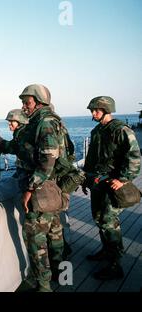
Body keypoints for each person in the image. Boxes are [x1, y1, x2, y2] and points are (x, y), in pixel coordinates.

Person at [16, 84, 68, 292]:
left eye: (27, 102)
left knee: (37, 242)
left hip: (41, 192)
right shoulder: (55, 122)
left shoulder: (44, 122)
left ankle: (44, 287)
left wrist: (29, 189)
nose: (24, 106)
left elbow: (48, 159)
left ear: (39, 102)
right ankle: (65, 277)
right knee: (56, 235)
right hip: (54, 188)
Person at [82, 96, 141, 280]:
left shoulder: (121, 130)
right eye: (92, 110)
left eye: (96, 110)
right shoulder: (96, 131)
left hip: (112, 184)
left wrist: (123, 179)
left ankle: (115, 264)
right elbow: (91, 159)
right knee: (99, 218)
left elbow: (134, 157)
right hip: (98, 183)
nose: (93, 113)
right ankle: (106, 251)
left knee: (109, 222)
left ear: (107, 110)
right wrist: (86, 179)